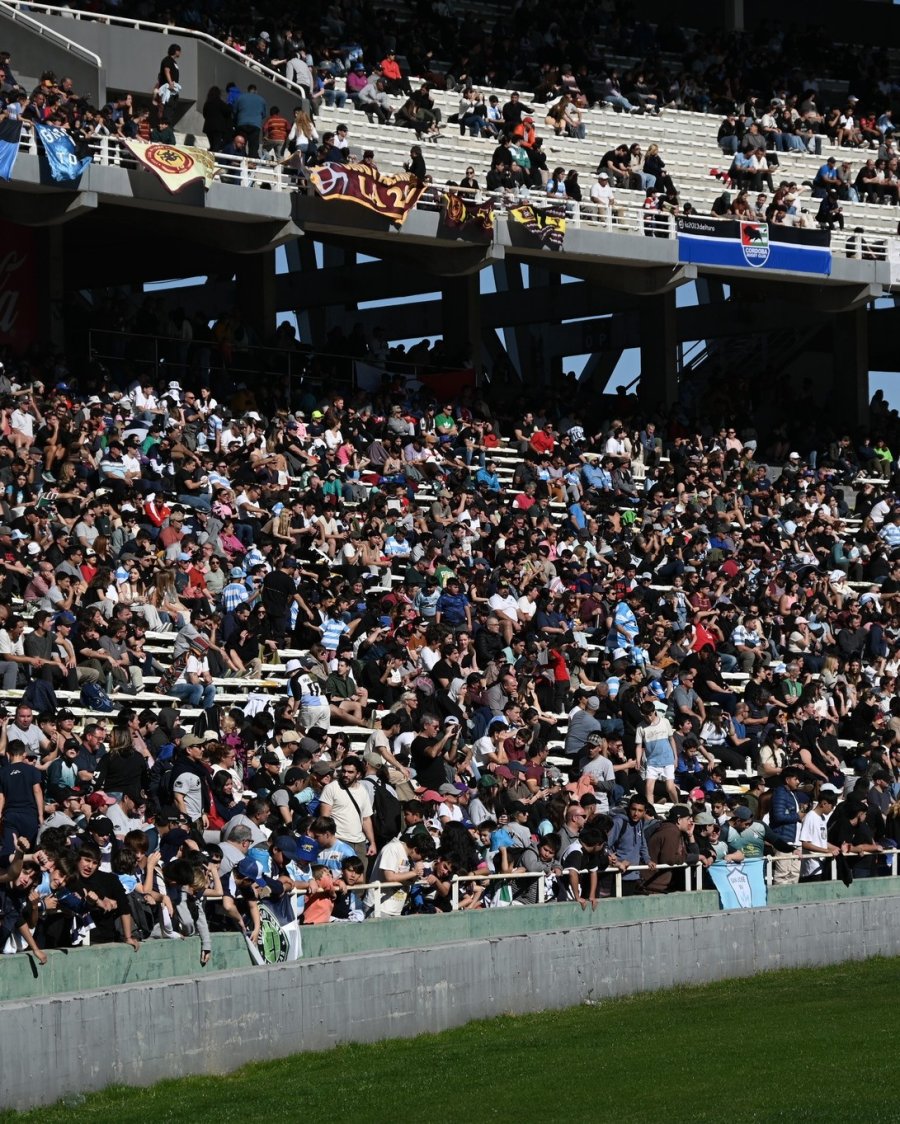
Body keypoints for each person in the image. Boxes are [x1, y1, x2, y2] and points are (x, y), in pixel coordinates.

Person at [317, 756, 376, 864]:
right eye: (344, 771)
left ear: (358, 774)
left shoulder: (363, 791)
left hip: (360, 843)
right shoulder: (331, 788)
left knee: (360, 879)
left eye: (350, 772)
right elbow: (325, 818)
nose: (345, 774)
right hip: (339, 840)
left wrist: (372, 842)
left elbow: (366, 819)